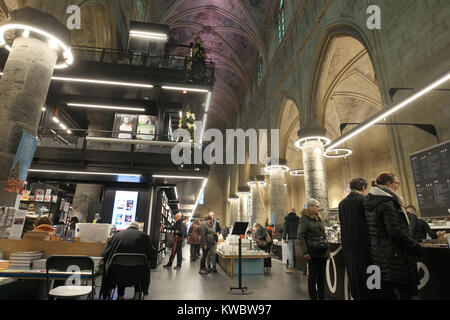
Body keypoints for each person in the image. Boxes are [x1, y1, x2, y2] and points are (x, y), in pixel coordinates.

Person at [365, 172, 421, 300]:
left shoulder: (371, 202)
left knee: (389, 292)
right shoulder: (387, 203)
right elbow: (395, 231)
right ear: (388, 184)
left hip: (380, 254)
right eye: (397, 183)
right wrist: (414, 246)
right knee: (403, 292)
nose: (398, 186)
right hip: (394, 255)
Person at [100, 222, 154, 300]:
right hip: (138, 275)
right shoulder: (144, 236)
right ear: (137, 229)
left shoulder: (116, 236)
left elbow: (104, 254)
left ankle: (120, 296)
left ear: (128, 227)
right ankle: (137, 295)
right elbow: (152, 254)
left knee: (120, 266)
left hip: (116, 275)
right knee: (139, 266)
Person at [338, 178, 372, 300]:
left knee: (355, 280)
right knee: (371, 282)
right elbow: (370, 223)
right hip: (365, 248)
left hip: (349, 248)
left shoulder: (342, 204)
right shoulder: (364, 200)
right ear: (363, 188)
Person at [298, 199, 330, 300]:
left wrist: (327, 252)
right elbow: (301, 236)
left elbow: (323, 236)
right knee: (312, 276)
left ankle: (322, 297)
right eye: (317, 206)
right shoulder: (304, 219)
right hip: (312, 252)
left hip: (322, 251)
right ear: (310, 207)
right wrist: (305, 252)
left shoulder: (319, 218)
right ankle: (313, 297)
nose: (319, 209)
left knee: (321, 276)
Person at [282, 208, 300, 274]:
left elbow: (285, 229)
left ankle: (291, 268)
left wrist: (284, 237)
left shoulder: (287, 219)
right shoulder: (298, 219)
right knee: (299, 252)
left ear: (289, 212)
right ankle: (301, 267)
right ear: (295, 212)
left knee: (290, 252)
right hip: (298, 238)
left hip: (290, 238)